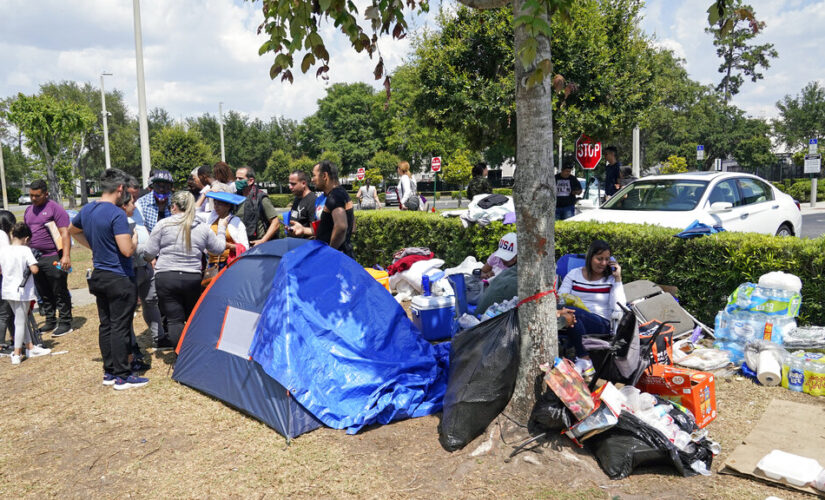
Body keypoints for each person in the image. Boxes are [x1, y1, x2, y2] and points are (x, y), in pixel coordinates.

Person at [69, 169, 148, 390]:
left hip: (100, 275)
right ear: (121, 189)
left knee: (106, 325)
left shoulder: (88, 209)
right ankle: (123, 375)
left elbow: (72, 231)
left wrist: (95, 245)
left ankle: (110, 371)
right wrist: (133, 239)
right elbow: (125, 250)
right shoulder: (116, 214)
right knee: (120, 326)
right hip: (120, 277)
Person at [142, 191, 230, 348]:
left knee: (174, 320)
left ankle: (179, 355)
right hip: (192, 277)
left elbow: (149, 252)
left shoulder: (163, 224)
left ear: (174, 206)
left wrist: (150, 260)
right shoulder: (202, 228)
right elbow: (218, 248)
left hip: (166, 276)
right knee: (192, 318)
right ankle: (194, 352)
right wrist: (222, 229)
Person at [558, 239, 627, 378]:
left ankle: (585, 359)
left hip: (601, 323)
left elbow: (619, 306)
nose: (603, 263)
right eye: (599, 259)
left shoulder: (610, 279)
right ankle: (584, 360)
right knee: (571, 314)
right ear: (590, 258)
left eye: (607, 259)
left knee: (573, 313)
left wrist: (618, 278)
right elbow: (561, 298)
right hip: (575, 318)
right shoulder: (574, 274)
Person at [24, 179, 73, 336]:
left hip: (53, 257)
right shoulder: (28, 210)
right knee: (43, 290)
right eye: (31, 195)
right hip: (35, 257)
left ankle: (65, 322)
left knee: (59, 289)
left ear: (46, 194)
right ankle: (50, 321)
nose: (33, 199)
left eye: (37, 196)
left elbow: (65, 233)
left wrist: (65, 256)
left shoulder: (55, 209)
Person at [0, 222, 51, 365]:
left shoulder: (4, 250)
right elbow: (34, 269)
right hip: (22, 292)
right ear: (27, 239)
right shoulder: (25, 250)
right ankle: (17, 353)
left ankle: (30, 347)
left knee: (20, 318)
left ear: (12, 235)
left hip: (8, 290)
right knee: (20, 321)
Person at [125, 177, 165, 349]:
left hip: (145, 264)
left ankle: (159, 338)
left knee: (151, 301)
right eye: (131, 198)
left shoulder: (136, 209)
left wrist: (151, 256)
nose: (134, 202)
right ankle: (131, 345)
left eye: (135, 196)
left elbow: (144, 230)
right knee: (128, 308)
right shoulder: (115, 213)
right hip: (129, 268)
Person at [290, 161, 354, 256]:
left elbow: (341, 227)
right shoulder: (340, 193)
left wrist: (330, 252)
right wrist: (303, 229)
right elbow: (352, 227)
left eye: (314, 175)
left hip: (336, 259)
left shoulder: (334, 196)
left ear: (324, 176)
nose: (312, 179)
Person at [200, 192, 249, 273]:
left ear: (228, 206)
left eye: (219, 204)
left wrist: (228, 246)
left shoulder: (236, 222)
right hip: (211, 263)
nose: (216, 206)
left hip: (229, 263)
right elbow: (193, 213)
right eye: (215, 203)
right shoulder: (209, 218)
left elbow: (245, 247)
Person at [234, 166, 280, 246]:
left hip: (258, 246)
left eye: (240, 179)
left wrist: (262, 241)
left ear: (251, 181)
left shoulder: (261, 198)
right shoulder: (234, 197)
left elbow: (275, 223)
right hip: (240, 245)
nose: (237, 181)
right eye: (236, 178)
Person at [0, 210, 16, 343]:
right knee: (4, 312)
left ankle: (15, 337)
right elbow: (6, 259)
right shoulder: (2, 236)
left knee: (8, 311)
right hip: (3, 279)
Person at [286, 170, 316, 237]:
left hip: (305, 245)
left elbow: (315, 231)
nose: (290, 187)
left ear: (303, 183)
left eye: (293, 184)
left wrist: (303, 230)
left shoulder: (312, 201)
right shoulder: (297, 198)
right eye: (289, 184)